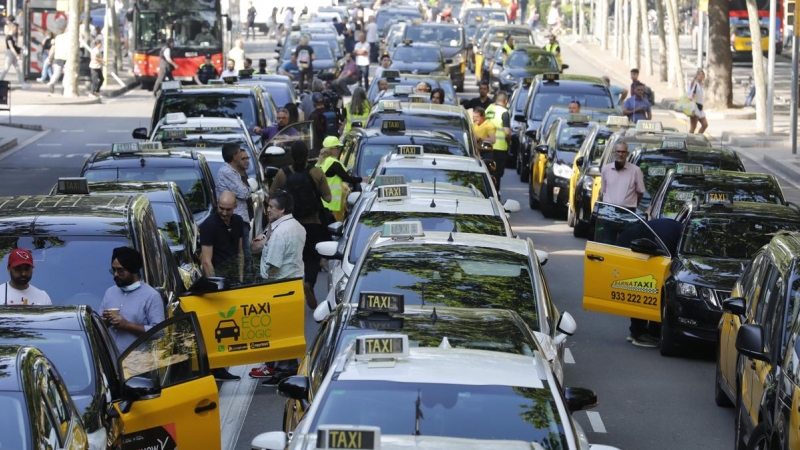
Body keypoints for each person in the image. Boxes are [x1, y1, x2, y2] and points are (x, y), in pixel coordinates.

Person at [248, 190, 305, 383]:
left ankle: (283, 373)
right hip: (292, 284)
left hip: (280, 286)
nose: (267, 210)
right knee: (287, 330)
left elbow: (272, 265)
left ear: (281, 209)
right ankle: (281, 369)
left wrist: (265, 247)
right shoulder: (294, 226)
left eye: (271, 206)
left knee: (281, 332)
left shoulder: (280, 231)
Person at [269, 141, 332, 308]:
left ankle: (291, 294)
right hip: (313, 224)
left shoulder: (283, 174)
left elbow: (272, 196)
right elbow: (328, 198)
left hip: (290, 224)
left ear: (291, 155)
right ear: (307, 155)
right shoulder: (316, 173)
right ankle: (309, 284)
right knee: (312, 259)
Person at [100, 247, 165, 353]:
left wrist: (127, 325)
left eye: (120, 270)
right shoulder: (110, 292)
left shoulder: (151, 296)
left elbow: (159, 332)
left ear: (133, 270)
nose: (115, 275)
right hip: (109, 362)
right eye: (113, 270)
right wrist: (105, 320)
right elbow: (100, 325)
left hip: (137, 363)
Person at [215, 144, 254, 276]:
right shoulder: (227, 172)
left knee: (244, 253)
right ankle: (244, 280)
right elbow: (243, 193)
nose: (243, 157)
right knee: (242, 253)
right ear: (234, 157)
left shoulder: (234, 172)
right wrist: (250, 189)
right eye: (240, 154)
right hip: (235, 218)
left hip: (240, 217)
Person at [317, 136, 369, 222]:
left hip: (323, 202)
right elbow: (348, 178)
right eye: (337, 147)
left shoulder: (320, 162)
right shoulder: (333, 163)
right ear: (331, 149)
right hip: (332, 203)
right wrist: (363, 179)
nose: (339, 150)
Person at [200, 190, 245, 281]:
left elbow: (240, 252)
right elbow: (206, 262)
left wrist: (241, 278)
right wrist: (215, 284)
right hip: (218, 276)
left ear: (235, 206)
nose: (224, 213)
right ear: (217, 203)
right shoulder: (208, 225)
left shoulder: (238, 221)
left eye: (228, 209)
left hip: (234, 276)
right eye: (221, 208)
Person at [485, 91, 512, 189]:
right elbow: (507, 132)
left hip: (487, 147)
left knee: (488, 173)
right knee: (497, 174)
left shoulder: (489, 109)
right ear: (506, 101)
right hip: (500, 148)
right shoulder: (504, 112)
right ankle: (496, 194)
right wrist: (509, 142)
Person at [1, 20, 29, 89]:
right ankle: (0, 80)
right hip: (10, 53)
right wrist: (17, 55)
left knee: (18, 68)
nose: (17, 30)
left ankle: (22, 83)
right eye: (16, 28)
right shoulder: (9, 37)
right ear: (12, 28)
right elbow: (11, 47)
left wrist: (19, 50)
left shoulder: (12, 36)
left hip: (12, 53)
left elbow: (14, 46)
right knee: (6, 68)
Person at [687, 68, 708, 134]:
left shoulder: (701, 85)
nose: (701, 76)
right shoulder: (694, 83)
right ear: (696, 75)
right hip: (694, 107)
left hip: (700, 108)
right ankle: (690, 141)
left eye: (702, 74)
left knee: (705, 125)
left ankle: (698, 137)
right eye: (699, 74)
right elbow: (690, 93)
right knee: (693, 127)